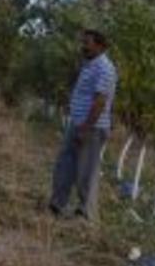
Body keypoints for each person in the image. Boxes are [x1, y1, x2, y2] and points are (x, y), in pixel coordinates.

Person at [49, 29, 117, 221]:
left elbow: (100, 102)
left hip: (91, 128)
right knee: (65, 164)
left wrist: (85, 128)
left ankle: (85, 214)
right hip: (78, 124)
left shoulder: (105, 68)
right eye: (83, 42)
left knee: (86, 172)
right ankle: (57, 204)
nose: (83, 46)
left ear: (100, 46)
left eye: (87, 43)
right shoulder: (89, 65)